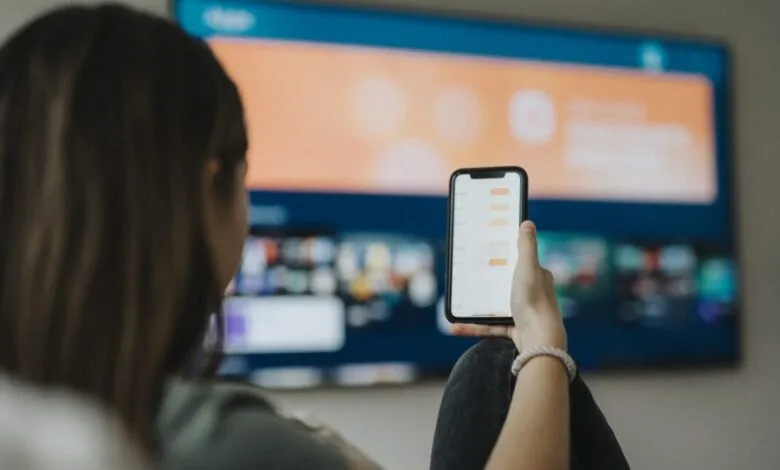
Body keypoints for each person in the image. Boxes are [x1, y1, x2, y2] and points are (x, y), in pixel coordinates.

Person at [0, 4, 628, 470]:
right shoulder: (228, 447)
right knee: (494, 368)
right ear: (205, 183)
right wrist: (545, 348)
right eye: (245, 178)